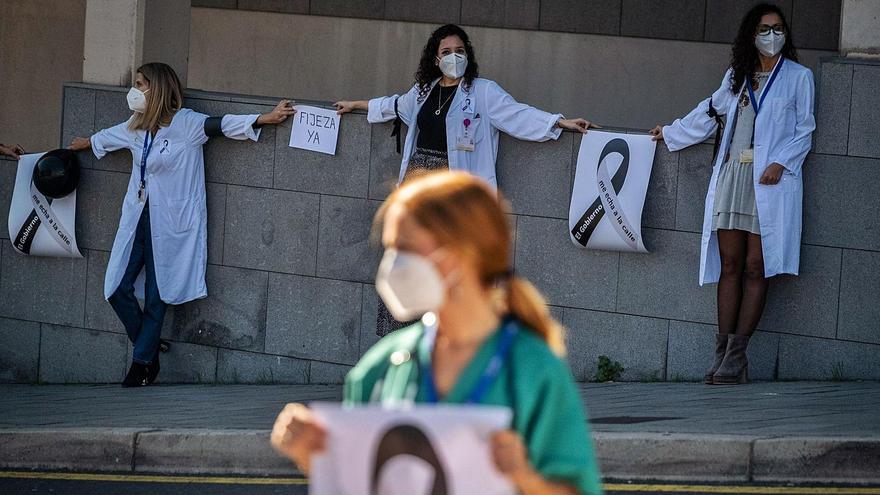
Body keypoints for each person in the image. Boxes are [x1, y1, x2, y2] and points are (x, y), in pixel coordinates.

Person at [271, 172, 604, 495]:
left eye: (405, 248)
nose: (391, 265)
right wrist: (313, 453)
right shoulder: (383, 366)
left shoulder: (534, 372)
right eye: (388, 249)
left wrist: (524, 478)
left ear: (460, 255)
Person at [334, 23, 596, 336]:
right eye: (446, 52)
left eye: (459, 51)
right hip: (417, 188)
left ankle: (445, 334)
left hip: (453, 191)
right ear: (435, 58)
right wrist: (356, 105)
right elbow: (393, 105)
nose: (453, 57)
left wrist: (558, 123)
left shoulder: (483, 92)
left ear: (468, 55)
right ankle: (403, 337)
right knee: (410, 258)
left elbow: (517, 115)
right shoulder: (422, 92)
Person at [68, 62, 295, 387]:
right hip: (138, 216)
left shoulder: (186, 124)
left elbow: (221, 125)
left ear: (157, 88)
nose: (135, 90)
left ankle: (142, 363)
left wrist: (264, 118)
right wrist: (83, 144)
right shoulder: (136, 125)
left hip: (172, 221)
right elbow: (108, 136)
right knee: (116, 288)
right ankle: (148, 344)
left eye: (141, 84)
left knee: (158, 293)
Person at [649, 3, 815, 385]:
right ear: (750, 35)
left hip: (770, 181)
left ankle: (737, 356)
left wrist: (782, 163)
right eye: (763, 29)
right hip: (734, 177)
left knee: (757, 266)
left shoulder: (798, 77)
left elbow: (805, 129)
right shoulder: (737, 77)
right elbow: (710, 113)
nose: (771, 36)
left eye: (777, 28)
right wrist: (670, 133)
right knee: (729, 265)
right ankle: (722, 353)